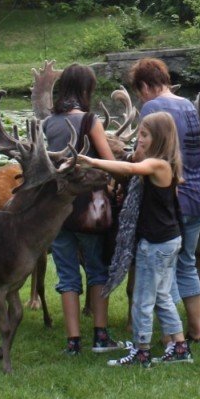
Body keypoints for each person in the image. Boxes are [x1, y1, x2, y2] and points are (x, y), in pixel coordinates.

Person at [82, 111, 192, 367]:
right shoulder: (166, 163)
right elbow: (134, 165)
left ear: (159, 139)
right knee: (162, 296)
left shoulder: (159, 165)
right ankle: (179, 347)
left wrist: (93, 161)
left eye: (144, 135)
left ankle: (141, 351)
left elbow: (131, 168)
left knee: (143, 299)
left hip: (156, 243)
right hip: (167, 240)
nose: (139, 139)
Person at [129, 58, 200, 344]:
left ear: (145, 86)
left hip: (170, 199)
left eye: (139, 92)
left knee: (163, 270)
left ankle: (170, 335)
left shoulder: (152, 108)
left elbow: (144, 154)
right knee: (186, 262)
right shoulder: (187, 104)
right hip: (199, 193)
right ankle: (197, 329)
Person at [41, 64, 119, 355]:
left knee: (67, 274)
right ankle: (100, 337)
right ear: (86, 90)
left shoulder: (50, 123)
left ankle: (73, 342)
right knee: (97, 269)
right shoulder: (90, 120)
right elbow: (109, 162)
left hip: (59, 208)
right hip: (90, 208)